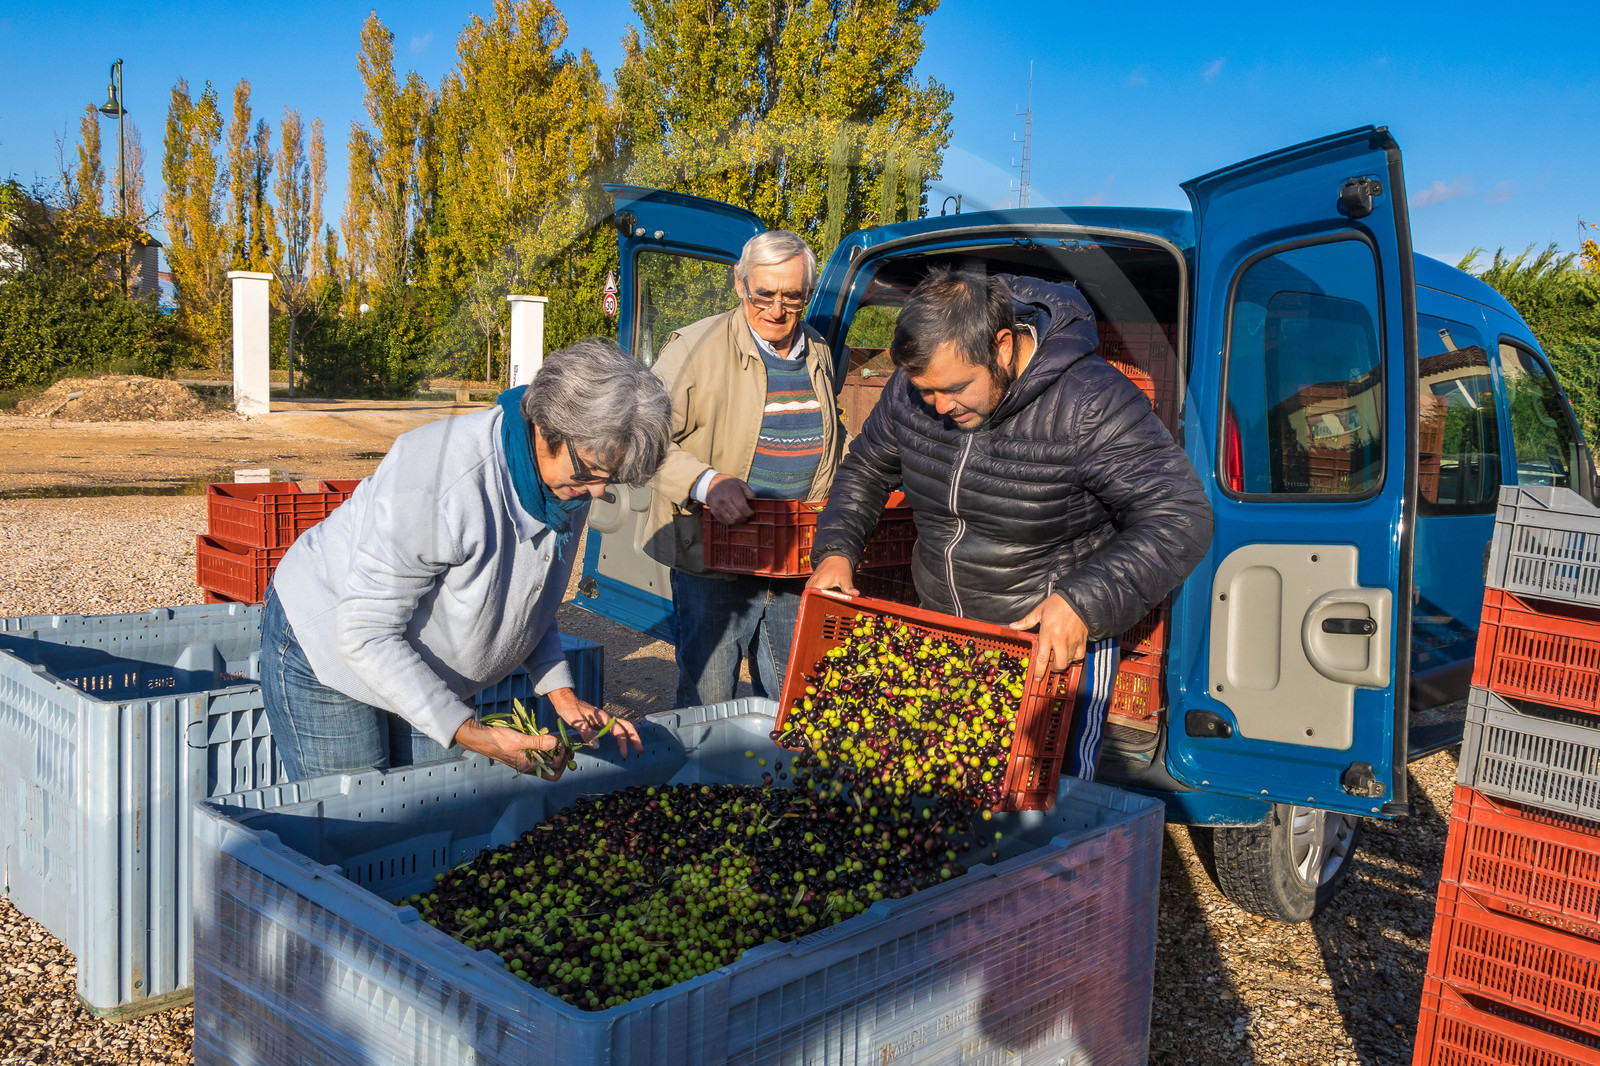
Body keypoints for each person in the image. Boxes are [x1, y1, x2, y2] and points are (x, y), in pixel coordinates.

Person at [807, 268, 1213, 780]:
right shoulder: (916, 390)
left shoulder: (1090, 400)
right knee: (952, 785)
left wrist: (1083, 603)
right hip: (946, 632)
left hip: (1048, 648)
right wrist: (837, 550)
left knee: (1043, 801)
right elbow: (867, 468)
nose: (938, 406)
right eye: (924, 391)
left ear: (1002, 347)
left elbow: (1182, 516)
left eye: (953, 389)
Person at [261, 339, 672, 781]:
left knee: (430, 807)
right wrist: (473, 732)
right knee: (361, 812)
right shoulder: (444, 479)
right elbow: (364, 633)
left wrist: (560, 692)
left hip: (420, 660)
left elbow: (529, 596)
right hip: (332, 640)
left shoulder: (569, 483)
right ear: (549, 427)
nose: (596, 491)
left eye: (610, 480)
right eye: (590, 473)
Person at [645, 230, 847, 707]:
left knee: (792, 697)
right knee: (708, 700)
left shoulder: (817, 351)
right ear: (740, 285)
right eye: (765, 295)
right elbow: (641, 439)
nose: (777, 310)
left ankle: (776, 784)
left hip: (794, 558)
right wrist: (706, 482)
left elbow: (831, 438)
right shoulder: (694, 348)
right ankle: (706, 782)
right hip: (716, 560)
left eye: (792, 298)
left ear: (808, 294)